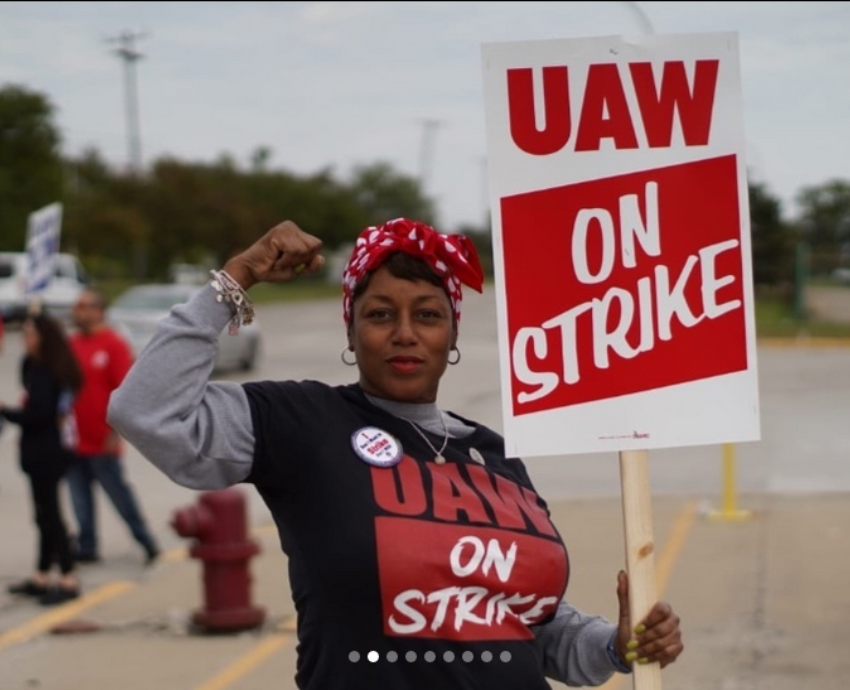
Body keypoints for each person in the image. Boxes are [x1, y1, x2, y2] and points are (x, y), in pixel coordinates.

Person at [108, 218, 684, 689]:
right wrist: (236, 277)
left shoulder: (497, 456)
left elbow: (530, 625)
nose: (404, 333)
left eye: (427, 315)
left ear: (452, 335)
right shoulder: (302, 423)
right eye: (380, 314)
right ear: (351, 332)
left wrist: (617, 643)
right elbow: (147, 411)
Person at [67, 288, 160, 565]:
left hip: (103, 441)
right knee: (79, 498)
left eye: (84, 306)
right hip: (75, 440)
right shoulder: (72, 345)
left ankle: (145, 540)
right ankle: (87, 546)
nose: (78, 312)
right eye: (76, 307)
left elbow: (126, 392)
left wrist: (114, 431)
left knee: (119, 496)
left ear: (99, 311)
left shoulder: (113, 345)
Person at [0, 312, 83, 605]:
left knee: (51, 515)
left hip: (49, 450)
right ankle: (41, 574)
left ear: (44, 338)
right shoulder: (33, 365)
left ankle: (69, 577)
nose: (25, 339)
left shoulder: (50, 370)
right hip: (37, 449)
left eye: (30, 334)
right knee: (42, 514)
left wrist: (6, 411)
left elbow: (39, 414)